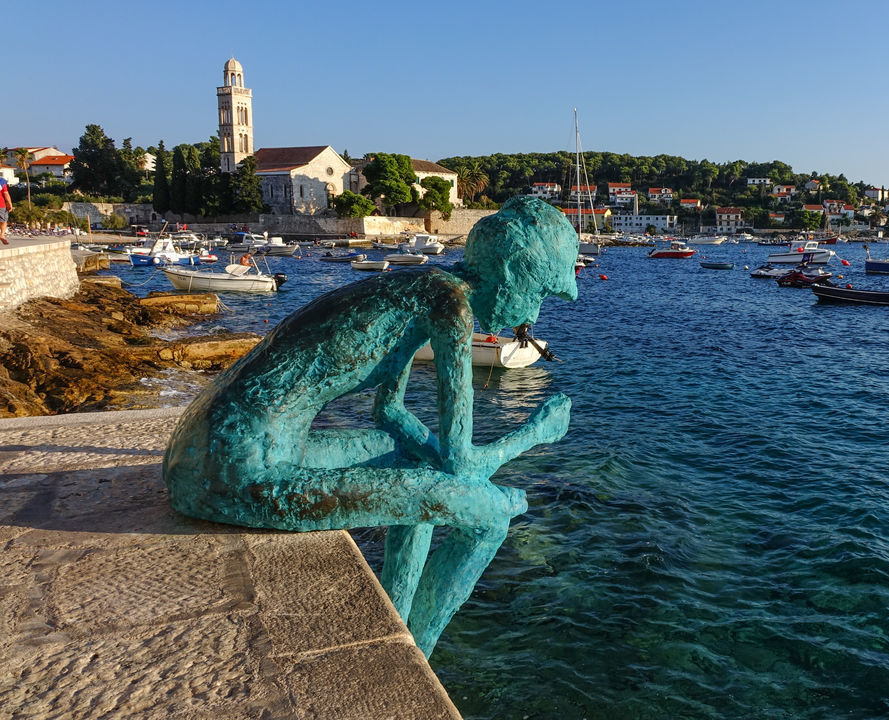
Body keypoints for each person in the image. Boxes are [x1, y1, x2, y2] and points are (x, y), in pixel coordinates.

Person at [163, 196, 578, 655]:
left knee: (414, 459)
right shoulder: (450, 306)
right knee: (490, 517)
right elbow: (461, 464)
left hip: (202, 451)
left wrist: (441, 460)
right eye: (538, 292)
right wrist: (533, 435)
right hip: (232, 475)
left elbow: (389, 413)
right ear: (510, 274)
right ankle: (413, 652)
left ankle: (396, 623)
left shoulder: (419, 286)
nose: (534, 316)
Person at [0, 177, 11, 244]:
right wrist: (10, 203)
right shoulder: (2, 182)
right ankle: (2, 235)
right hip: (1, 205)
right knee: (3, 221)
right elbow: (6, 193)